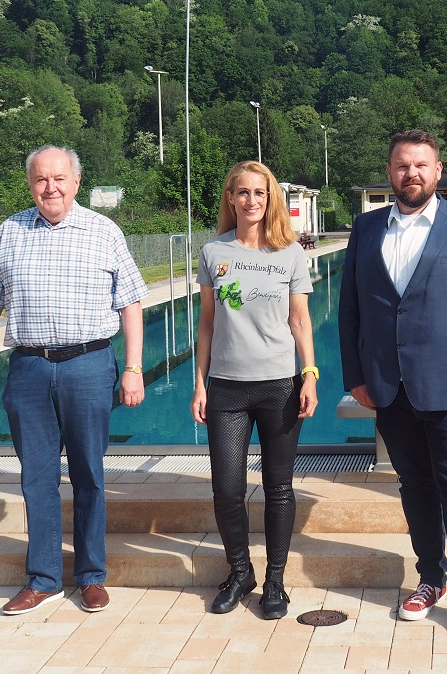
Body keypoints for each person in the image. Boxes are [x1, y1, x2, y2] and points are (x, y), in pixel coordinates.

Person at [338, 129, 447, 641]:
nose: (410, 173)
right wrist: (356, 378)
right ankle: (430, 578)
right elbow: (351, 311)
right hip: (388, 386)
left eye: (420, 165)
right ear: (389, 172)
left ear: (438, 172)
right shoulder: (367, 228)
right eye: (401, 165)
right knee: (414, 486)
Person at [0, 146, 147, 616]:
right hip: (28, 367)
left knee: (89, 472)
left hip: (88, 365)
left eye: (59, 179)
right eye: (41, 180)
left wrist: (132, 367)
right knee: (37, 478)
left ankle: (90, 576)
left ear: (77, 180)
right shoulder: (9, 231)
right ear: (30, 184)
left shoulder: (104, 231)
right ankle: (43, 578)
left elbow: (130, 304)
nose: (51, 188)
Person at [192, 161, 318, 620]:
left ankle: (276, 583)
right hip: (226, 389)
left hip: (278, 386)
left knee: (278, 489)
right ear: (230, 198)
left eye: (260, 194)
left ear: (271, 200)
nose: (251, 201)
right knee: (227, 489)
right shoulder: (212, 252)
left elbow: (300, 320)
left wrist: (310, 374)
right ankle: (240, 570)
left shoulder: (290, 254)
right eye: (243, 192)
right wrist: (199, 385)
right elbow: (206, 324)